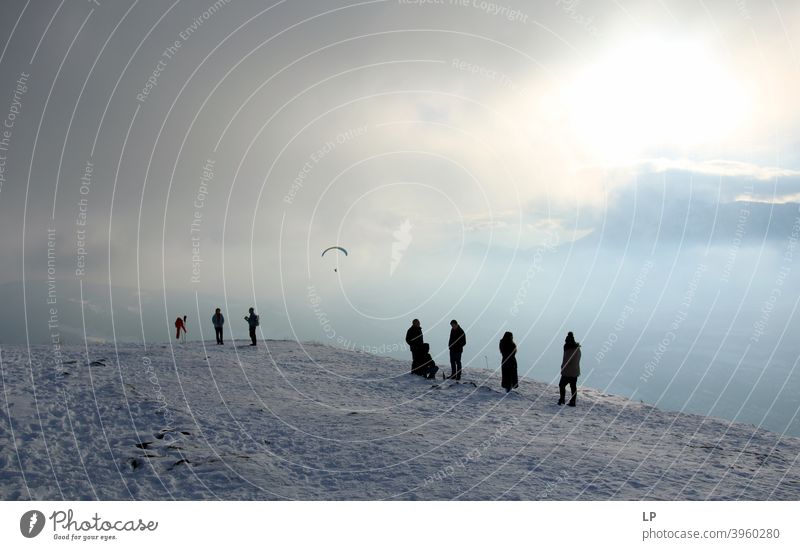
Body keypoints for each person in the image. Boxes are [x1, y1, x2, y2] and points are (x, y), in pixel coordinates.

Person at [559, 332, 581, 406]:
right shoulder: (577, 349)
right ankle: (573, 401)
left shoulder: (568, 350)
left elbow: (566, 361)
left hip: (568, 372)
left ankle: (562, 399)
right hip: (575, 371)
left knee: (561, 385)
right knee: (573, 387)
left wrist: (562, 368)